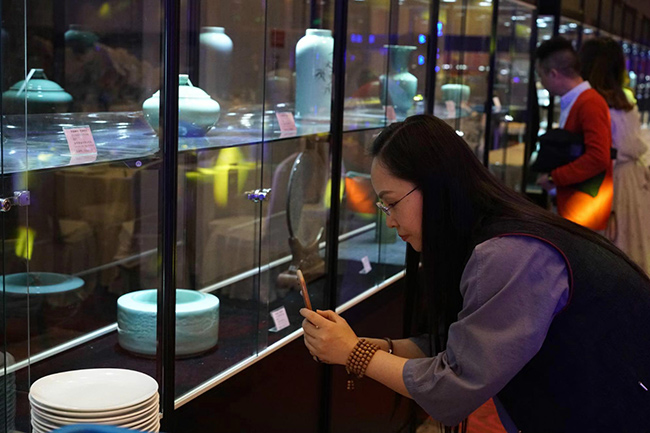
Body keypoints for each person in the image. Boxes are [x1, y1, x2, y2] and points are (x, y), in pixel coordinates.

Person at [301, 115, 650, 432]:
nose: (389, 220)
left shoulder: (508, 254)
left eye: (391, 203)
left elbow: (454, 387)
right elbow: (462, 343)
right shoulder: (494, 233)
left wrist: (354, 353)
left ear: (434, 186)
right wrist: (380, 348)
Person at [579, 37, 650, 275]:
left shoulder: (591, 102)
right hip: (630, 180)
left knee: (607, 245)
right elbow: (632, 143)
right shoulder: (625, 99)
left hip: (606, 180)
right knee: (630, 242)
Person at [534, 37, 613, 231]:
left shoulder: (590, 103)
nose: (541, 82)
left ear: (553, 74)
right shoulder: (580, 100)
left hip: (584, 210)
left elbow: (598, 157)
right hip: (578, 208)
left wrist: (554, 178)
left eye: (541, 75)